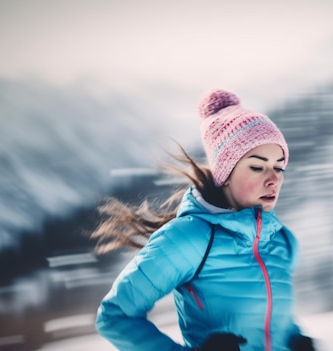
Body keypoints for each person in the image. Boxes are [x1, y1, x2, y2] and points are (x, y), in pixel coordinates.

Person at [92, 89, 315, 351]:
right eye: (257, 166)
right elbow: (115, 317)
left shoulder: (282, 241)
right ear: (225, 173)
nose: (273, 179)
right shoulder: (189, 237)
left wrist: (295, 339)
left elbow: (273, 320)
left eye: (279, 167)